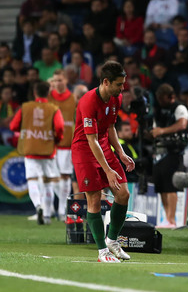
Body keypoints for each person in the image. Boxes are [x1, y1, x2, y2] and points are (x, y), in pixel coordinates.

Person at [71, 60, 134, 263]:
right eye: (118, 84)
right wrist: (107, 169)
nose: (122, 88)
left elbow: (110, 128)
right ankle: (102, 252)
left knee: (123, 194)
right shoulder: (88, 101)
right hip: (84, 150)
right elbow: (91, 139)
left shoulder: (116, 98)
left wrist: (121, 154)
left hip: (103, 146)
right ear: (106, 82)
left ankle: (112, 242)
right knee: (94, 199)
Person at [10, 81, 64, 225]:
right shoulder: (54, 109)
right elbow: (59, 128)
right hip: (47, 151)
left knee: (32, 180)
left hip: (30, 149)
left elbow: (13, 126)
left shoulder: (25, 107)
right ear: (48, 93)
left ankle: (37, 205)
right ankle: (46, 216)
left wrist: (28, 130)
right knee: (48, 184)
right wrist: (57, 139)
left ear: (35, 93)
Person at [150, 83, 188, 228]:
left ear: (170, 96)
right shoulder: (159, 110)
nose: (161, 101)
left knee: (171, 186)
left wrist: (162, 131)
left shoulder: (179, 107)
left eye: (163, 98)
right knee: (161, 186)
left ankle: (172, 220)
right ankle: (167, 218)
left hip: (174, 151)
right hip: (159, 151)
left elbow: (182, 124)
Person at [48, 69, 77, 221]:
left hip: (66, 143)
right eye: (55, 80)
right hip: (50, 143)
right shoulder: (48, 97)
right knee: (51, 177)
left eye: (60, 80)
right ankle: (53, 208)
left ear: (65, 81)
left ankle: (62, 210)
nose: (57, 83)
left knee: (65, 176)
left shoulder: (73, 98)